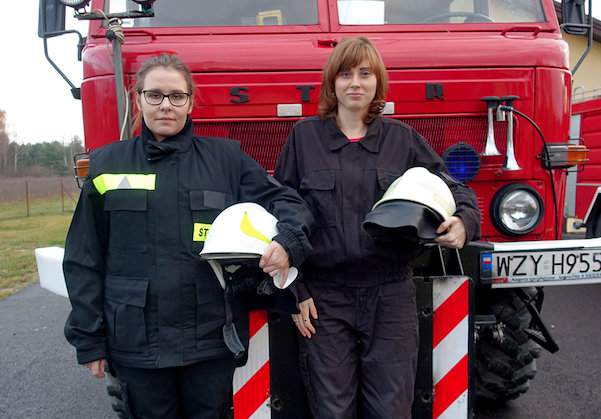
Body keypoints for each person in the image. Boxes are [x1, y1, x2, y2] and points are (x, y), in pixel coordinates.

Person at [63, 54, 313, 419]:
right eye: (155, 95)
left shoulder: (225, 159)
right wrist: (89, 339)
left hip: (209, 341)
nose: (166, 105)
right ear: (138, 99)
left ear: (190, 102)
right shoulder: (107, 164)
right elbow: (84, 257)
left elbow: (286, 200)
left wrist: (288, 242)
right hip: (136, 343)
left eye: (176, 96)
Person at [274, 37, 480, 419]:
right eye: (346, 74)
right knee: (331, 410)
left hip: (390, 295)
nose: (355, 82)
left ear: (377, 83)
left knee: (390, 409)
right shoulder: (304, 139)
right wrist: (295, 289)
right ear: (332, 83)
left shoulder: (401, 140)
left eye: (365, 74)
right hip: (325, 299)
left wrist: (464, 222)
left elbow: (454, 189)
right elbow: (283, 214)